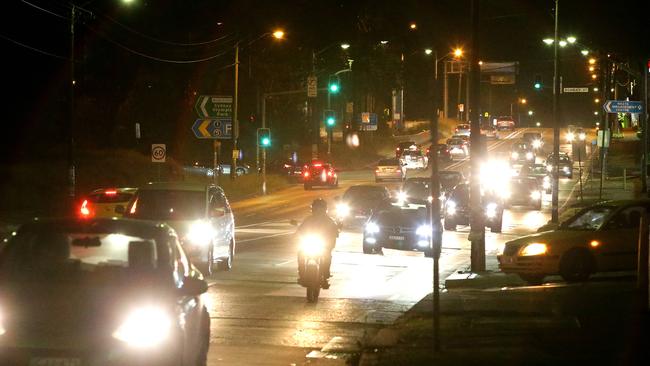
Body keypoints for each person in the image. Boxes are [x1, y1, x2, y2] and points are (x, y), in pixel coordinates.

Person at [296, 198, 339, 287]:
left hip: (324, 245)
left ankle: (325, 275)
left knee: (327, 256)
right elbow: (300, 230)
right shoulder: (308, 220)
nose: (318, 210)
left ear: (324, 209)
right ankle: (302, 275)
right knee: (300, 254)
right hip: (310, 243)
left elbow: (335, 232)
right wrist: (298, 234)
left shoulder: (330, 221)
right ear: (313, 209)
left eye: (320, 208)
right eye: (316, 208)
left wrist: (332, 238)